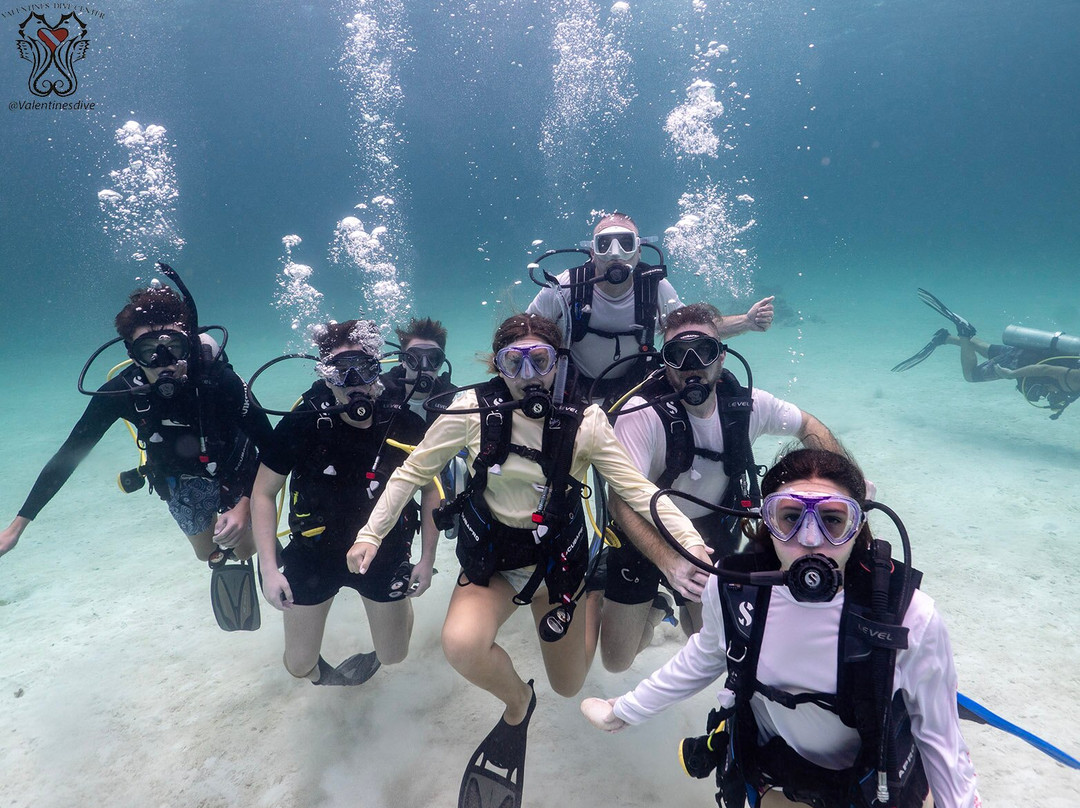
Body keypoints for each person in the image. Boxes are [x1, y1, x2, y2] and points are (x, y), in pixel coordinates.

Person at [347, 313, 708, 808]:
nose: (528, 375)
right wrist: (371, 533)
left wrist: (689, 544)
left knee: (569, 686)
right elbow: (412, 472)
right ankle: (518, 703)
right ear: (496, 366)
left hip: (558, 564)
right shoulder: (470, 410)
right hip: (492, 563)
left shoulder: (586, 422)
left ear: (557, 364)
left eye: (539, 360)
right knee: (462, 646)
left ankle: (595, 594)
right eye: (512, 363)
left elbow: (640, 491)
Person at [582, 448, 981, 808]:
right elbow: (702, 658)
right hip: (782, 777)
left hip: (875, 781)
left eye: (832, 520)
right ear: (766, 522)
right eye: (790, 518)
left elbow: (939, 738)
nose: (809, 540)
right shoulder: (733, 589)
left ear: (857, 527)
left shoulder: (911, 616)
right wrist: (625, 710)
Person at [597, 303, 840, 671]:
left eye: (705, 351)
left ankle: (679, 608)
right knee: (616, 661)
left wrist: (841, 481)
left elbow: (809, 425)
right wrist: (668, 562)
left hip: (712, 531)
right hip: (648, 530)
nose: (692, 365)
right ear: (665, 363)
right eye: (678, 355)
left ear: (721, 358)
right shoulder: (640, 413)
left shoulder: (747, 405)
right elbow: (620, 501)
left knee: (711, 646)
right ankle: (657, 606)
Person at [0, 280, 274, 567]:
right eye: (149, 351)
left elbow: (272, 447)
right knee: (207, 554)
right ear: (132, 352)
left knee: (244, 550)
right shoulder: (121, 393)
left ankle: (258, 533)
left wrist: (245, 504)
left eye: (173, 346)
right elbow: (69, 455)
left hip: (234, 465)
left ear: (189, 342)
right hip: (177, 472)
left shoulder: (220, 381)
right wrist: (15, 529)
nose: (163, 361)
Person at [249, 319, 436, 686]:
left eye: (364, 369)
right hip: (314, 551)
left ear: (378, 370)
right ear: (324, 376)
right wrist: (270, 569)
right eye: (339, 372)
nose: (354, 384)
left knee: (394, 655)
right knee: (299, 665)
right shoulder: (302, 423)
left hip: (383, 549)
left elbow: (431, 489)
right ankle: (322, 675)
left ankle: (392, 622)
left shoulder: (404, 423)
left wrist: (427, 560)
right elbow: (262, 492)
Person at [526, 211, 775, 403]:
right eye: (604, 244)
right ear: (593, 252)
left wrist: (747, 321)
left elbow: (694, 333)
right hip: (571, 393)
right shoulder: (565, 287)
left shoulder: (655, 288)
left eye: (625, 243)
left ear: (638, 251)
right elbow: (522, 335)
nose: (616, 253)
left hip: (633, 395)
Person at [892, 288, 1080, 419]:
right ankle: (964, 333)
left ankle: (946, 338)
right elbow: (1046, 369)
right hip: (1020, 363)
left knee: (987, 350)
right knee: (971, 376)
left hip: (1026, 352)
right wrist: (1011, 375)